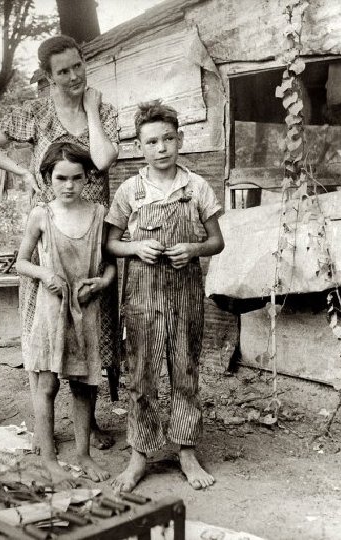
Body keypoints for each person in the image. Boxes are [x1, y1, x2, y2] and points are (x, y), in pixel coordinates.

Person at [0, 35, 120, 449]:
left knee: (90, 323)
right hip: (49, 231)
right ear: (48, 76)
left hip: (91, 232)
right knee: (46, 323)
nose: (74, 76)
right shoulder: (35, 112)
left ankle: (88, 423)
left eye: (78, 66)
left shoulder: (104, 110)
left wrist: (90, 110)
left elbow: (103, 160)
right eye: (63, 71)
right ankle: (44, 425)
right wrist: (22, 172)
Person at [105, 100, 225, 492]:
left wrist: (193, 249)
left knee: (185, 371)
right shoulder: (130, 190)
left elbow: (217, 241)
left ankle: (186, 451)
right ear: (139, 147)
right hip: (142, 296)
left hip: (186, 294)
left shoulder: (197, 187)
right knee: (141, 375)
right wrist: (135, 248)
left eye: (168, 139)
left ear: (180, 140)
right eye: (152, 141)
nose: (161, 148)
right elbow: (110, 243)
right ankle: (139, 455)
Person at [15, 142, 114, 485]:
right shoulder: (42, 215)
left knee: (85, 386)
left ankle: (83, 455)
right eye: (61, 178)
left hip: (86, 310)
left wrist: (102, 282)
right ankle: (49, 460)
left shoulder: (99, 214)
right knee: (47, 383)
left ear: (87, 178)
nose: (69, 185)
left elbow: (110, 264)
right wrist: (44, 274)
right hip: (51, 311)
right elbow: (21, 262)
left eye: (76, 178)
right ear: (47, 178)